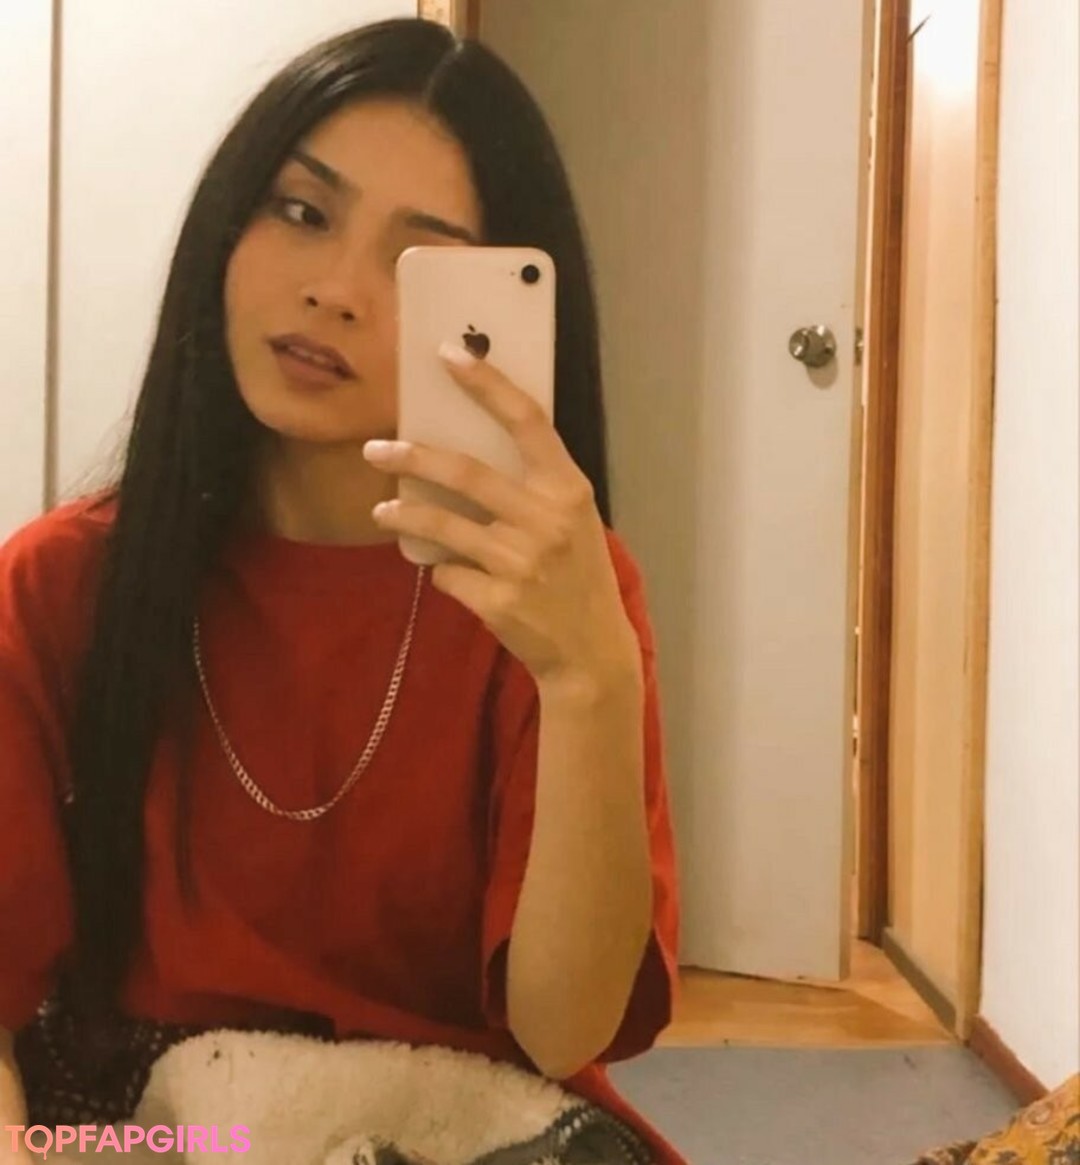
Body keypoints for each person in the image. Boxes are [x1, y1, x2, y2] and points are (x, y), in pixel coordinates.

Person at [0, 17, 683, 1164]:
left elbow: (563, 1028)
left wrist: (590, 681)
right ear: (229, 223)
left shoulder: (552, 594)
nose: (335, 291)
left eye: (418, 262)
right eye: (303, 212)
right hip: (166, 1132)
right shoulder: (59, 587)